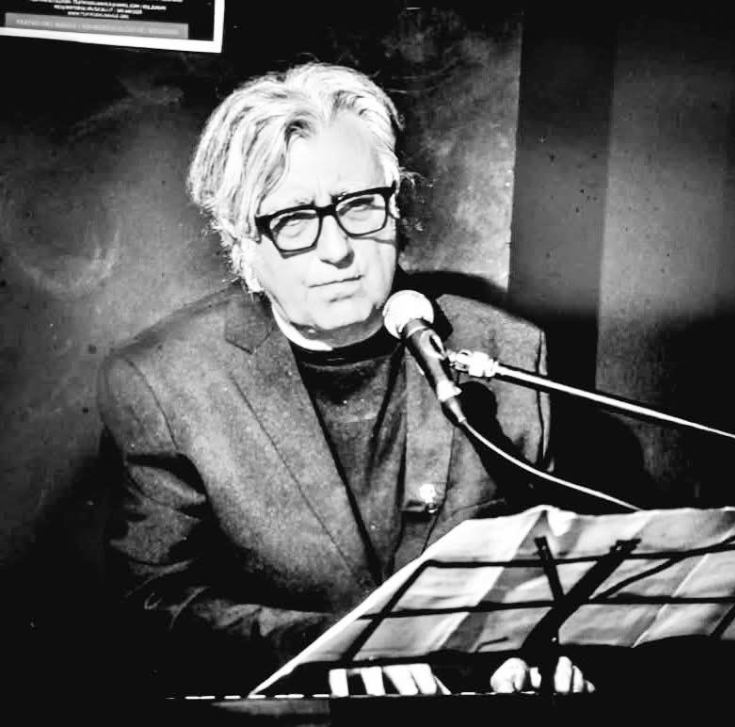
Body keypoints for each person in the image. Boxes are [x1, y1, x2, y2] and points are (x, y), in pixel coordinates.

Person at [98, 62, 592, 697]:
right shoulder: (164, 382)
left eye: (359, 205)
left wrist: (536, 650)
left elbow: (550, 570)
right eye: (294, 221)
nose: (337, 250)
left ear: (395, 205)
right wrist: (347, 649)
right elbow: (154, 607)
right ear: (242, 243)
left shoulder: (506, 349)